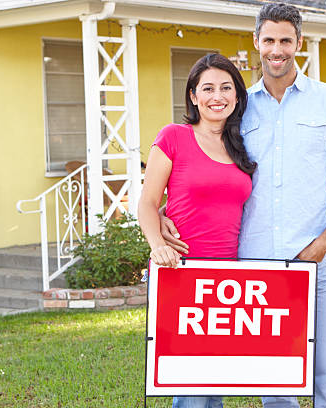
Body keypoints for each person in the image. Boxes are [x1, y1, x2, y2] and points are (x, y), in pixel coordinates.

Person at [159, 3, 326, 408]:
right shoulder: (236, 106)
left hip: (312, 264)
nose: (277, 49)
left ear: (299, 43)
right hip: (253, 272)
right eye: (269, 39)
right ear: (257, 42)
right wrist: (167, 212)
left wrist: (321, 245)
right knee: (276, 391)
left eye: (285, 40)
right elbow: (202, 164)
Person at [137, 53, 256, 407]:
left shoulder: (241, 146)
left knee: (213, 383)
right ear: (193, 95)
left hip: (228, 281)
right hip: (182, 273)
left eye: (225, 88)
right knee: (192, 387)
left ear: (236, 96)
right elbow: (146, 202)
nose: (216, 96)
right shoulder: (174, 137)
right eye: (207, 88)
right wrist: (158, 243)